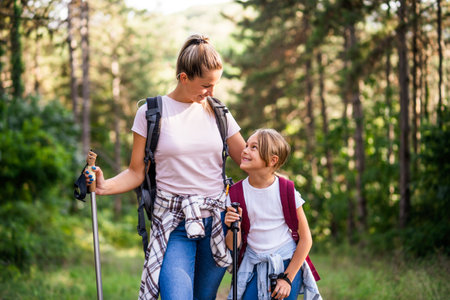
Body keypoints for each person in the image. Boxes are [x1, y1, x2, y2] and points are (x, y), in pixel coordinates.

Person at [85, 34, 245, 300]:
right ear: (183, 77)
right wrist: (103, 186)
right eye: (206, 85)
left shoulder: (218, 112)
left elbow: (249, 160)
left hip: (216, 222)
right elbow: (136, 171)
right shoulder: (151, 113)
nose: (211, 92)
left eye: (215, 85)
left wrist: (280, 185)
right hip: (174, 224)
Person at [224, 128, 321, 300]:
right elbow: (233, 246)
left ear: (272, 160)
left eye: (253, 147)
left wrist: (287, 279)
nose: (244, 150)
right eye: (246, 145)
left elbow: (306, 239)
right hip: (253, 264)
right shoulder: (235, 193)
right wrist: (234, 226)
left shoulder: (287, 191)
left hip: (286, 264)